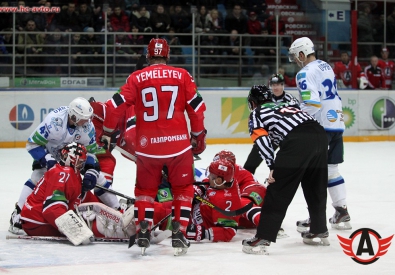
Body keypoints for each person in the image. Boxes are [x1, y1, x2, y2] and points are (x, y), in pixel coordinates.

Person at [101, 38, 207, 256]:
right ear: (167, 55)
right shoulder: (183, 75)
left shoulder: (136, 77)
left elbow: (114, 106)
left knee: (145, 191)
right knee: (183, 189)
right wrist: (198, 137)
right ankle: (180, 232)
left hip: (147, 148)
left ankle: (143, 229)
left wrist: (108, 133)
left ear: (148, 56)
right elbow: (197, 108)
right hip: (178, 146)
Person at [242, 85, 329, 255]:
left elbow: (262, 141)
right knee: (315, 187)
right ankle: (319, 229)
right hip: (320, 135)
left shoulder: (256, 113)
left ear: (253, 102)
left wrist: (272, 165)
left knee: (278, 190)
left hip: (297, 140)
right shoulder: (286, 105)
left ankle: (263, 237)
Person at [287, 37, 352, 233]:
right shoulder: (325, 66)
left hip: (320, 127)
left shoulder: (304, 73)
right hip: (337, 124)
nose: (295, 60)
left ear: (301, 53)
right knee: (331, 170)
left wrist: (298, 119)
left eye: (295, 56)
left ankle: (317, 219)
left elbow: (313, 104)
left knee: (313, 175)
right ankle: (341, 212)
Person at [9, 97, 100, 234]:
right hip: (50, 154)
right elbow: (32, 144)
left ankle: (115, 209)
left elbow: (92, 150)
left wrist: (91, 169)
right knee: (38, 175)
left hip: (72, 158)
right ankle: (18, 212)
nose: (87, 121)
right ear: (74, 117)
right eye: (84, 118)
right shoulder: (54, 121)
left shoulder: (87, 127)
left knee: (99, 178)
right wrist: (47, 159)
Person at [20, 142, 136, 244]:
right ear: (70, 159)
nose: (82, 165)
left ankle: (121, 217)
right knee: (92, 224)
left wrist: (109, 212)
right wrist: (75, 231)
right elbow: (52, 209)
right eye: (80, 162)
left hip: (38, 219)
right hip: (37, 222)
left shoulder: (70, 173)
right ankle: (128, 230)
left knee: (92, 215)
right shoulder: (62, 173)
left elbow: (83, 198)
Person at [243, 74, 299, 175]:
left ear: (283, 85)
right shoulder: (267, 98)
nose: (275, 87)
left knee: (285, 162)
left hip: (285, 136)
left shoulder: (290, 99)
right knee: (252, 161)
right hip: (268, 135)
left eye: (278, 84)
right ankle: (246, 179)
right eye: (273, 85)